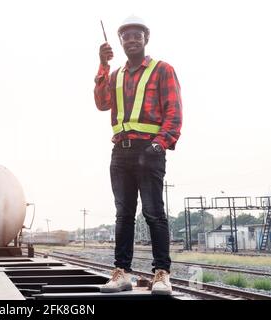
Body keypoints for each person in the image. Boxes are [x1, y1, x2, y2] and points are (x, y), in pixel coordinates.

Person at [94, 15, 182, 295]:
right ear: (120, 41)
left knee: (154, 213)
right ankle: (121, 273)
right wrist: (103, 65)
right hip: (120, 153)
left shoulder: (162, 70)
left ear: (145, 39)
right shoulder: (116, 74)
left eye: (137, 36)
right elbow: (102, 103)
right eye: (126, 36)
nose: (132, 40)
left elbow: (174, 112)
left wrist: (159, 144)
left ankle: (161, 274)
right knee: (123, 214)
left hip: (150, 150)